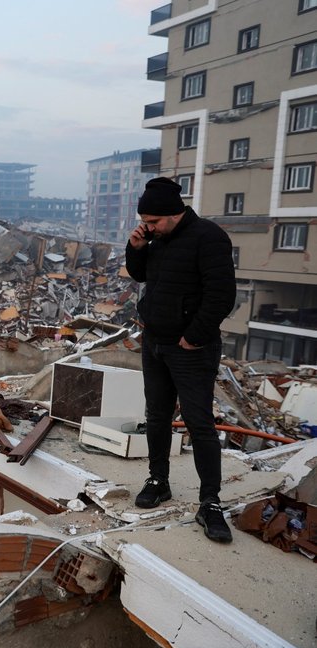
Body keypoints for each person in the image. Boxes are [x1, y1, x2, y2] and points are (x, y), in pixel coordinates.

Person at [125, 177, 236, 543]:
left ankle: (210, 502)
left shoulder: (209, 238)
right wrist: (137, 247)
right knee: (156, 416)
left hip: (190, 349)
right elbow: (142, 275)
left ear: (176, 214)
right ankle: (158, 481)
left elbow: (222, 295)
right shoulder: (155, 240)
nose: (148, 227)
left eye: (153, 221)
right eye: (145, 221)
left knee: (198, 422)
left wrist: (194, 336)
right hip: (155, 342)